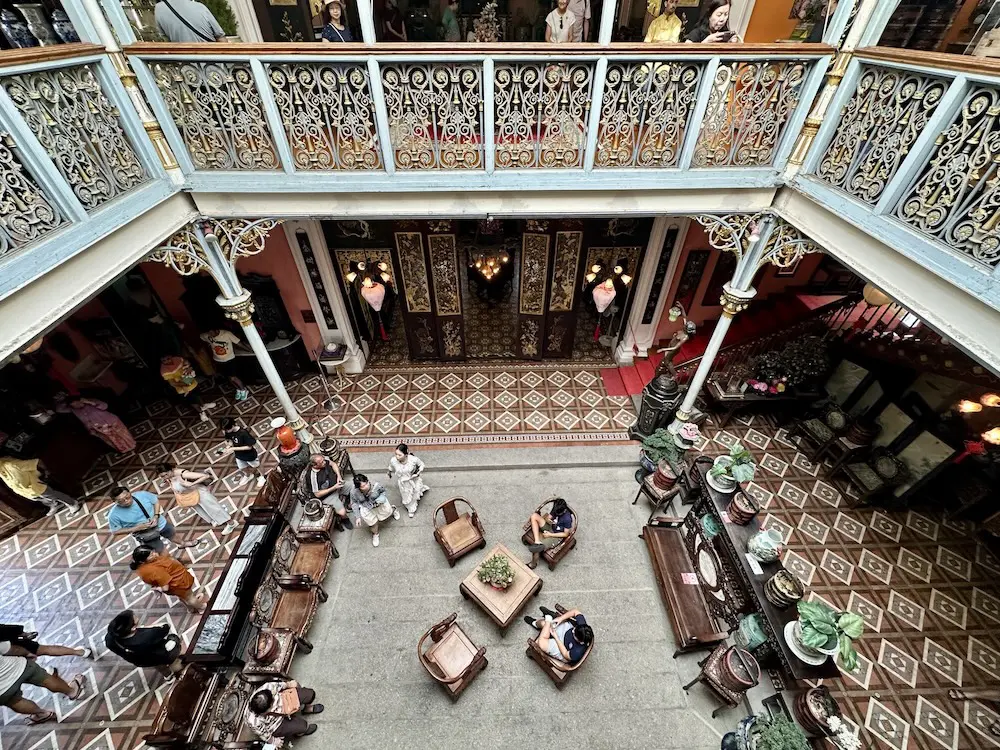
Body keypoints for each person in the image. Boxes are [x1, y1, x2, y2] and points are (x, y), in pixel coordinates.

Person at [0, 640, 85, 724]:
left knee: (15, 702)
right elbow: (8, 648)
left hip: (2, 689)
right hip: (17, 666)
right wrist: (27, 653)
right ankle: (71, 691)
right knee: (45, 679)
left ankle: (41, 714)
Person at [157, 462, 238, 535]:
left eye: (165, 475)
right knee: (201, 510)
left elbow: (205, 476)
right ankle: (214, 520)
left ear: (170, 470)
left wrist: (190, 484)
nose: (164, 478)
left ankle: (231, 523)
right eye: (162, 477)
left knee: (214, 508)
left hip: (200, 493)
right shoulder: (169, 476)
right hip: (190, 496)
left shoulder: (183, 474)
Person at [105, 610, 183, 680]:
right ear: (132, 628)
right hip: (161, 654)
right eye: (134, 617)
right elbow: (165, 627)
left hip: (141, 660)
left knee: (156, 663)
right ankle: (179, 673)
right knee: (172, 656)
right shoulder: (147, 637)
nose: (136, 616)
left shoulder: (109, 639)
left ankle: (168, 675)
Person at [106, 486, 185, 553]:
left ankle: (182, 544)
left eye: (127, 497)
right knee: (160, 551)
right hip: (146, 535)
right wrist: (136, 528)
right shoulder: (113, 515)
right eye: (121, 501)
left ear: (129, 492)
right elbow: (115, 531)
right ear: (115, 502)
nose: (126, 501)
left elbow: (155, 501)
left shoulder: (142, 494)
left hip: (161, 523)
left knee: (172, 535)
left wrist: (156, 516)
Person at [245, 679, 323, 745]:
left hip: (284, 701)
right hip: (275, 724)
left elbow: (284, 685)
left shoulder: (268, 687)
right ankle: (300, 732)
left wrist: (291, 684)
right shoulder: (253, 721)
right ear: (265, 711)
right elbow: (264, 734)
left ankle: (306, 708)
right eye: (271, 706)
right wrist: (273, 741)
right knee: (302, 726)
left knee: (309, 694)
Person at [130, 547, 206, 613]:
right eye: (151, 555)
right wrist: (158, 589)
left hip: (176, 584)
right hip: (179, 584)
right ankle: (201, 608)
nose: (155, 554)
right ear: (142, 560)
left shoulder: (141, 567)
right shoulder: (155, 570)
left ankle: (190, 609)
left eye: (153, 552)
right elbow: (165, 588)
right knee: (190, 598)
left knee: (182, 597)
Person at [0, 455, 80, 516]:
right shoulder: (1, 472)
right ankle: (54, 505)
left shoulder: (12, 464)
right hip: (26, 492)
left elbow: (36, 462)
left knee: (53, 495)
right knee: (41, 499)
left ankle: (72, 503)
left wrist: (47, 471)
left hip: (35, 486)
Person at [63, 397, 136, 453]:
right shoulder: (74, 410)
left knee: (121, 434)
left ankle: (131, 445)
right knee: (112, 439)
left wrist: (90, 402)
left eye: (76, 403)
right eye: (73, 405)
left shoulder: (91, 402)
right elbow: (59, 409)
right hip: (98, 428)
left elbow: (104, 406)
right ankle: (123, 449)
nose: (76, 406)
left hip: (111, 422)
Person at [524, 606, 592, 664]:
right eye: (574, 629)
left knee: (542, 643)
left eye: (574, 633)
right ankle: (536, 623)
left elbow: (565, 654)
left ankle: (548, 620)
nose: (573, 630)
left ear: (579, 641)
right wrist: (561, 618)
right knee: (544, 624)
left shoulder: (577, 652)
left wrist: (556, 638)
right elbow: (575, 611)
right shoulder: (583, 628)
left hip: (564, 648)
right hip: (565, 632)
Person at [349, 474, 399, 548]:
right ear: (358, 487)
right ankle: (375, 534)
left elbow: (383, 491)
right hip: (366, 507)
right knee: (372, 523)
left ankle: (394, 510)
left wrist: (381, 499)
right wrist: (357, 516)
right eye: (362, 486)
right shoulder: (353, 492)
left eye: (366, 483)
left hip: (379, 504)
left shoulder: (376, 485)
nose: (366, 487)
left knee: (388, 512)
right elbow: (354, 503)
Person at [160, 355, 216, 422]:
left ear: (171, 356)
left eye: (168, 358)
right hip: (183, 388)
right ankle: (201, 413)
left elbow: (187, 363)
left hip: (191, 381)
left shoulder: (178, 359)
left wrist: (189, 367)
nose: (167, 361)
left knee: (197, 395)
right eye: (164, 361)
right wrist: (185, 384)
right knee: (192, 400)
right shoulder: (164, 371)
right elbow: (172, 383)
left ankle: (203, 405)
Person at [524, 497, 574, 569]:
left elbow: (565, 534)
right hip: (551, 526)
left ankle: (533, 564)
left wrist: (550, 534)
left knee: (537, 549)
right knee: (534, 516)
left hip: (557, 535)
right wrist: (548, 520)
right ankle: (537, 541)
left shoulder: (567, 519)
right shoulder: (556, 508)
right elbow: (549, 517)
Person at [199, 329, 248, 401]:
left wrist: (249, 350)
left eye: (211, 332)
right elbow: (200, 337)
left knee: (233, 377)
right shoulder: (206, 335)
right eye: (208, 332)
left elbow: (239, 343)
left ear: (216, 330)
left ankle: (244, 390)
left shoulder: (226, 334)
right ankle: (238, 389)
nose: (209, 334)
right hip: (218, 361)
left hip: (230, 360)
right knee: (228, 377)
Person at [218, 418, 265, 489]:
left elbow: (249, 447)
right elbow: (230, 441)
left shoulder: (243, 433)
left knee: (257, 466)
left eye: (228, 429)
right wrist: (228, 447)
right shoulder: (228, 432)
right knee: (242, 467)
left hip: (249, 455)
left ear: (233, 425)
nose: (226, 431)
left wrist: (233, 448)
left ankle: (263, 476)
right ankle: (248, 476)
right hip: (239, 455)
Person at [0, 624, 92, 660]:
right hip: (11, 645)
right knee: (45, 649)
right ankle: (80, 652)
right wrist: (23, 634)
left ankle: (49, 673)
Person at [307, 453, 351, 528]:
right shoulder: (312, 476)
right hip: (328, 495)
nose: (325, 462)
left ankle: (350, 503)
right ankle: (345, 519)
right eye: (322, 462)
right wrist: (334, 488)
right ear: (315, 465)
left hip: (337, 484)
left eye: (324, 460)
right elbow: (317, 494)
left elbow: (333, 464)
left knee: (354, 486)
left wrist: (339, 476)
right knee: (342, 512)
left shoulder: (324, 460)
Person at [387, 443, 427, 519]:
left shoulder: (413, 460)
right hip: (403, 483)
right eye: (396, 454)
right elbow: (390, 467)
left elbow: (421, 465)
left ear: (406, 454)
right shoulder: (393, 460)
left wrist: (418, 473)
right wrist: (389, 473)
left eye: (399, 455)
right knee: (406, 496)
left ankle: (412, 508)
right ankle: (410, 508)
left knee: (415, 494)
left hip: (413, 480)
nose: (397, 457)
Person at [154, 0, 226, 42]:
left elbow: (165, 38)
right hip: (213, 63)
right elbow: (220, 37)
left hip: (186, 65)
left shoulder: (158, 9)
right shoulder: (200, 7)